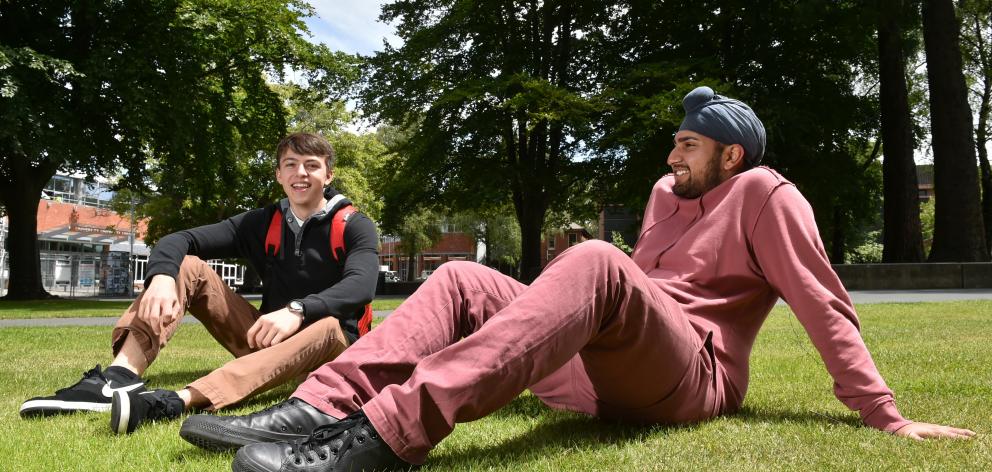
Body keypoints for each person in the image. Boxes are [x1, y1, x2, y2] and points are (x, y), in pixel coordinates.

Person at [184, 87, 975, 472]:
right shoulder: (667, 197)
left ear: (731, 155)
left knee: (597, 260)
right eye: (675, 144)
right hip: (599, 372)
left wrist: (885, 417)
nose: (672, 158)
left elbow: (823, 303)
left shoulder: (769, 196)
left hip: (688, 372)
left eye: (688, 146)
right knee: (463, 274)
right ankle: (311, 410)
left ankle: (380, 437)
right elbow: (621, 289)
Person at [19, 132, 380, 438]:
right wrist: (161, 276)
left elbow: (361, 285)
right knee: (186, 264)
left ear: (328, 175)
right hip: (266, 339)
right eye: (291, 165)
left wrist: (298, 310)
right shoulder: (263, 222)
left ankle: (178, 400)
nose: (301, 174)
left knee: (329, 325)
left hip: (332, 350)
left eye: (312, 165)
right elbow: (180, 240)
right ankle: (118, 378)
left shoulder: (353, 225)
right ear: (279, 175)